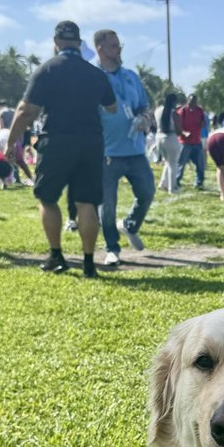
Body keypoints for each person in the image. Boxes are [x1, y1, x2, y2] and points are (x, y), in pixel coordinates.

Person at [5, 20, 116, 278]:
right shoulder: (94, 73)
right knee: (87, 202)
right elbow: (111, 107)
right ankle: (89, 262)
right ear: (79, 43)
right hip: (90, 141)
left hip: (56, 140)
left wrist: (12, 142)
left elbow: (25, 111)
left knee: (47, 198)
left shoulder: (47, 70)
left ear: (55, 43)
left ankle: (56, 254)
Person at [94, 28, 153, 268]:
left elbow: (144, 106)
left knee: (147, 193)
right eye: (114, 46)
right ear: (101, 49)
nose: (119, 51)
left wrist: (145, 118)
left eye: (120, 46)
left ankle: (130, 224)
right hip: (106, 152)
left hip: (135, 150)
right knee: (107, 205)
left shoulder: (131, 76)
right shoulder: (93, 77)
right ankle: (112, 248)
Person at [176, 93, 206, 189]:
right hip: (185, 143)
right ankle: (176, 181)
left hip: (197, 141)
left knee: (200, 164)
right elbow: (178, 127)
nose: (193, 103)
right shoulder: (182, 111)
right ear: (188, 101)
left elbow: (203, 122)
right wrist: (184, 133)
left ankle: (199, 183)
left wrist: (200, 126)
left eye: (195, 101)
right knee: (181, 163)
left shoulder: (199, 110)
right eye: (191, 101)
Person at [156, 92, 182, 193]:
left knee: (167, 161)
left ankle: (163, 183)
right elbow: (179, 130)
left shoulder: (158, 110)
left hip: (159, 137)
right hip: (170, 137)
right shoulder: (174, 113)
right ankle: (172, 188)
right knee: (173, 164)